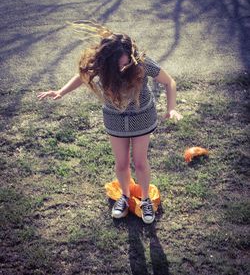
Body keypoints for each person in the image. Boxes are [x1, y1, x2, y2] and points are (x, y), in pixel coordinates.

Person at [37, 21, 182, 224]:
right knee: (121, 163)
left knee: (140, 162)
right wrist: (61, 92)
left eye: (126, 64)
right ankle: (124, 196)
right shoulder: (101, 63)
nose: (123, 68)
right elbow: (82, 76)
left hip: (142, 116)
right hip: (114, 118)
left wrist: (171, 108)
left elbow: (169, 82)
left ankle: (146, 200)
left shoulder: (141, 62)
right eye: (118, 65)